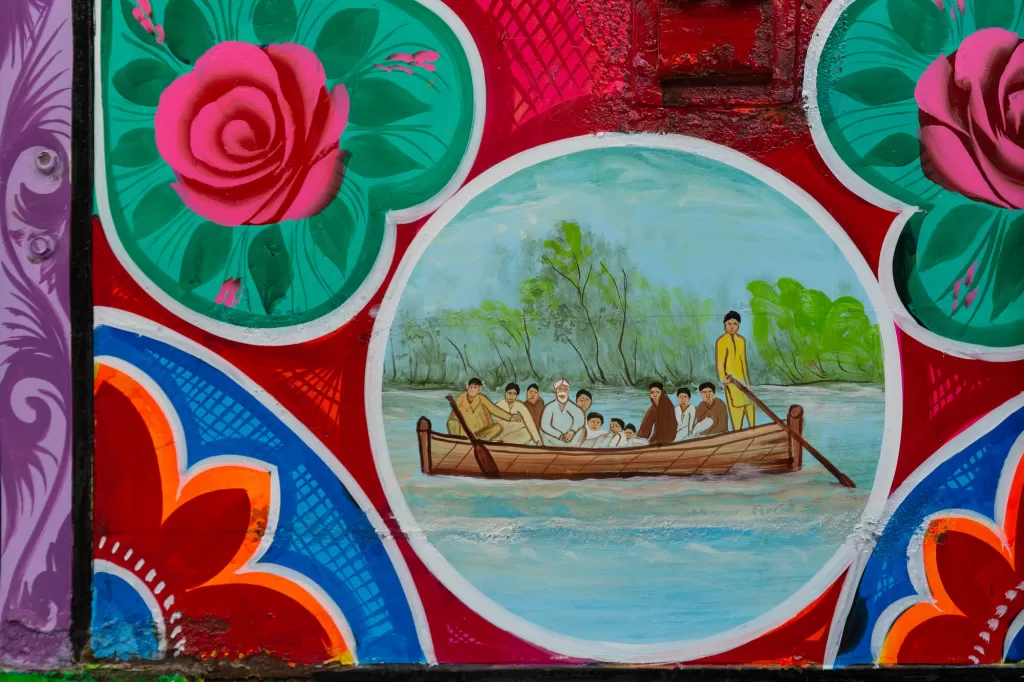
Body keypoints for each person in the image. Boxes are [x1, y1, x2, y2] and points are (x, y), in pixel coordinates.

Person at [716, 310, 755, 431]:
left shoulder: (741, 340)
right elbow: (720, 362)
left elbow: (744, 361)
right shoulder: (721, 341)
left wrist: (747, 381)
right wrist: (723, 379)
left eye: (735, 323)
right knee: (736, 406)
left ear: (739, 325)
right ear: (724, 325)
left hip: (742, 380)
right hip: (731, 380)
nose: (732, 326)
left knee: (750, 404)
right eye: (729, 323)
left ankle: (754, 431)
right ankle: (737, 432)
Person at [446, 377, 520, 440]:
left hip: (480, 434)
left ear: (479, 389)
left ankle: (480, 441)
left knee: (497, 427)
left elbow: (494, 409)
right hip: (463, 434)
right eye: (471, 387)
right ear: (467, 387)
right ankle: (457, 442)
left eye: (475, 387)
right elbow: (453, 416)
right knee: (451, 423)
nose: (472, 390)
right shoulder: (460, 399)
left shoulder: (482, 398)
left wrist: (509, 417)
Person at [540, 378, 587, 447]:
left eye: (565, 389)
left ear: (568, 391)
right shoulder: (549, 407)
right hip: (553, 439)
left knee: (583, 430)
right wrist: (560, 436)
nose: (562, 392)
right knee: (543, 433)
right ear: (556, 390)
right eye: (560, 389)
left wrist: (572, 432)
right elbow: (545, 426)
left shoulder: (573, 407)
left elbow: (580, 419)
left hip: (570, 440)